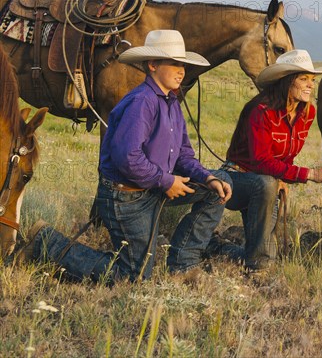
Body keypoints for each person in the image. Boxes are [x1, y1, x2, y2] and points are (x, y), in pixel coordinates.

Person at [18, 30, 233, 282]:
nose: (181, 70)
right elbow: (127, 158)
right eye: (174, 63)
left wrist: (206, 178)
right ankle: (46, 243)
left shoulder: (171, 102)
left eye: (183, 64)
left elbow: (183, 154)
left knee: (219, 184)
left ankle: (184, 263)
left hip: (153, 187)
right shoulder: (141, 102)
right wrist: (167, 182)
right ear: (153, 65)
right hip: (127, 196)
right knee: (135, 274)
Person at [218, 49, 322, 271]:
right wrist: (310, 174)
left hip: (268, 181)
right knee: (264, 255)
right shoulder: (261, 110)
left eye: (312, 80)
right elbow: (261, 161)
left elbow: (287, 156)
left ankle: (218, 248)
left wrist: (284, 177)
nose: (310, 85)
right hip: (237, 178)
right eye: (303, 79)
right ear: (286, 81)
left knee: (263, 250)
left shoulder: (307, 113)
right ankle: (257, 268)